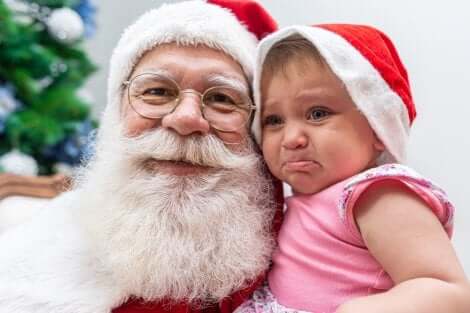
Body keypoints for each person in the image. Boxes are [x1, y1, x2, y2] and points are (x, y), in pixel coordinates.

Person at [0, 1, 283, 313]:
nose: (186, 119)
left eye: (221, 98)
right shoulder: (26, 256)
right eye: (157, 92)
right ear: (115, 115)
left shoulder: (314, 255)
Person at [236, 24, 470, 313]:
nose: (292, 138)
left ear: (377, 127)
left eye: (317, 113)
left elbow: (449, 292)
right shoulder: (293, 202)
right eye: (274, 120)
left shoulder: (377, 194)